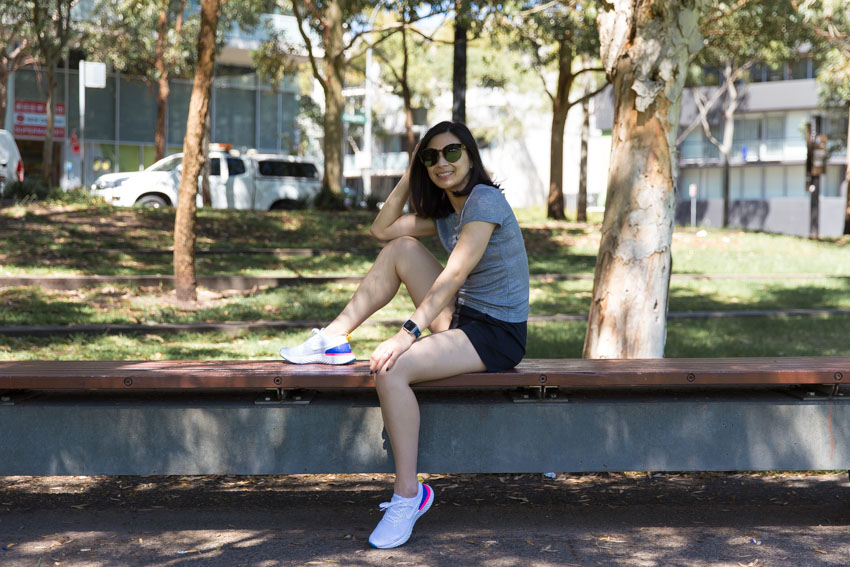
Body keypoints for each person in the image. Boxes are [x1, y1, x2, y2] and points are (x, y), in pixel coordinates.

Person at [278, 120, 530, 549]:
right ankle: (333, 337)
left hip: (496, 333)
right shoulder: (449, 211)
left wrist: (406, 334)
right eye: (431, 157)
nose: (441, 163)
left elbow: (453, 275)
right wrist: (411, 171)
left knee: (391, 370)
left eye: (452, 153)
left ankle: (408, 495)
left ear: (470, 155)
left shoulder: (484, 200)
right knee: (399, 249)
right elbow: (382, 230)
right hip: (466, 318)